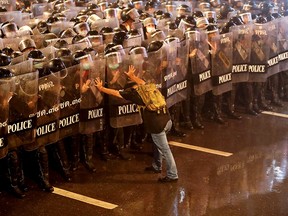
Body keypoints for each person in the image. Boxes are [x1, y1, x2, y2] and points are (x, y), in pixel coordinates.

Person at [95, 65, 178, 183]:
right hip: (167, 120)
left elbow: (116, 93)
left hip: (156, 125)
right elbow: (141, 81)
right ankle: (156, 166)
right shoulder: (147, 87)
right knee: (157, 145)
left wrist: (101, 88)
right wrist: (132, 76)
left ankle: (172, 174)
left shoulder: (134, 94)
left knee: (165, 149)